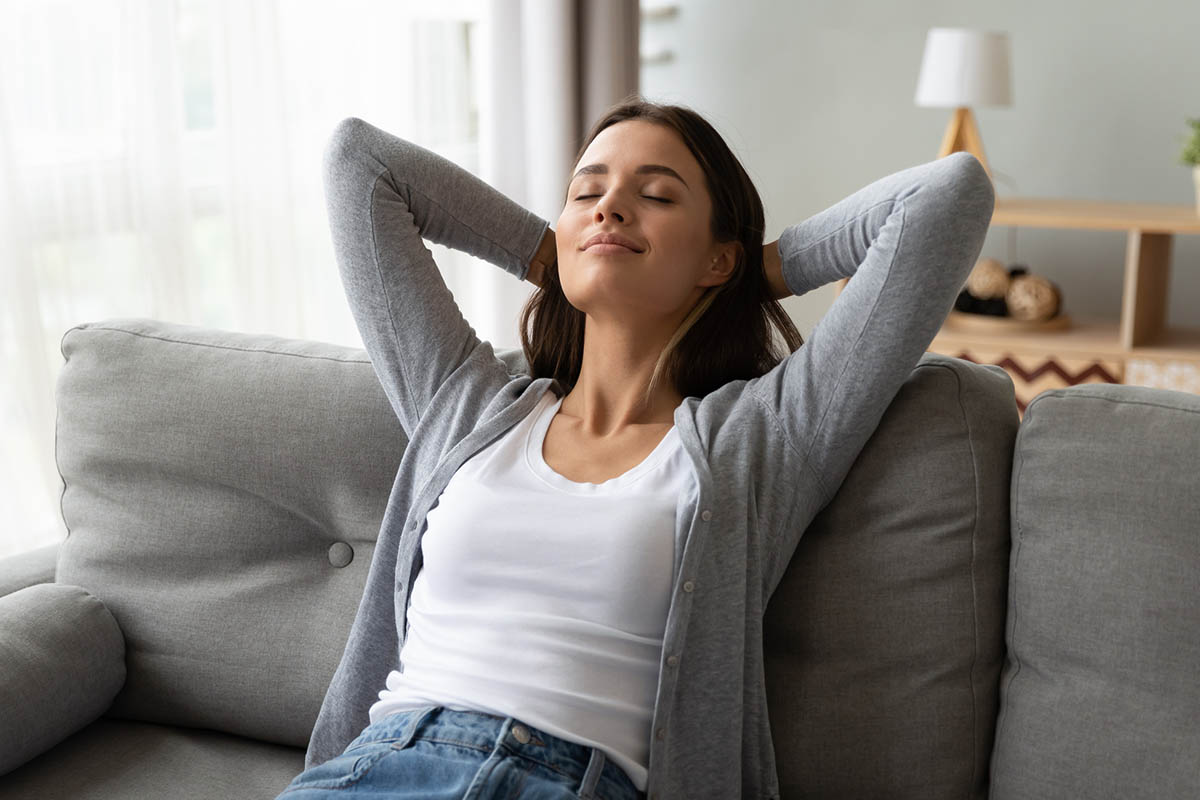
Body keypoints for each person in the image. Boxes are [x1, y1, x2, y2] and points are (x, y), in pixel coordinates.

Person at [276, 96, 994, 799]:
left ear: (717, 259)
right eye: (587, 192)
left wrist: (753, 275)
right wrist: (549, 251)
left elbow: (947, 196)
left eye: (654, 195)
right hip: (379, 768)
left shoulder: (764, 437)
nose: (609, 207)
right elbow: (359, 164)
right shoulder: (464, 407)